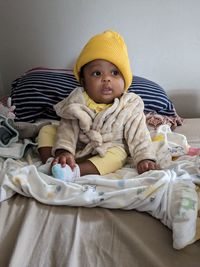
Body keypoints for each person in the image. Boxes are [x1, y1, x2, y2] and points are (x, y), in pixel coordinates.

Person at [37, 30, 157, 182]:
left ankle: (76, 171)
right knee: (47, 130)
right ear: (83, 81)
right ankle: (52, 163)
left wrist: (144, 158)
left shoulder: (130, 104)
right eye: (97, 74)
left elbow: (138, 135)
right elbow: (67, 128)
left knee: (119, 155)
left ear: (125, 81)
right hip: (78, 145)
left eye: (114, 73)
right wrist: (64, 150)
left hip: (107, 147)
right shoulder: (78, 98)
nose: (106, 79)